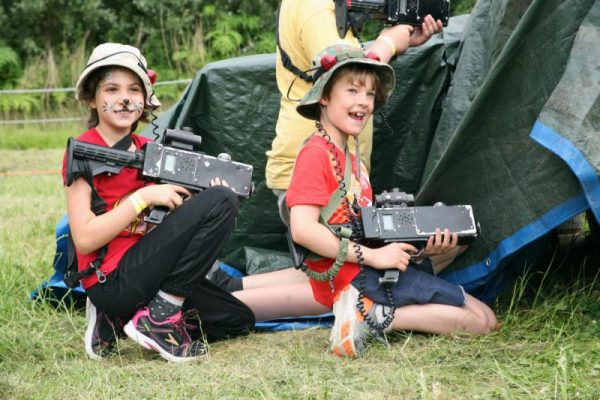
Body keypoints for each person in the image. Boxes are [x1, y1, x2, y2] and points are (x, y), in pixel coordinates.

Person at [223, 44, 497, 358]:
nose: (364, 102)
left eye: (369, 95)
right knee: (482, 322)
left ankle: (371, 309)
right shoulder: (316, 153)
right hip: (351, 275)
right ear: (324, 97)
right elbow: (302, 230)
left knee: (482, 306)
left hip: (357, 268)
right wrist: (375, 257)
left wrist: (421, 240)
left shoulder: (352, 159)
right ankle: (374, 318)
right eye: (352, 90)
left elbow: (359, 225)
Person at [63, 43, 254, 363]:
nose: (125, 98)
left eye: (134, 90)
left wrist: (199, 204)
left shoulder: (153, 150)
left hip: (147, 271)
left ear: (146, 99)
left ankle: (123, 319)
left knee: (237, 320)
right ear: (91, 99)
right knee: (220, 200)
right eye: (112, 88)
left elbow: (165, 226)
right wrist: (143, 197)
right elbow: (84, 238)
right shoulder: (83, 151)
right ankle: (155, 316)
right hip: (112, 279)